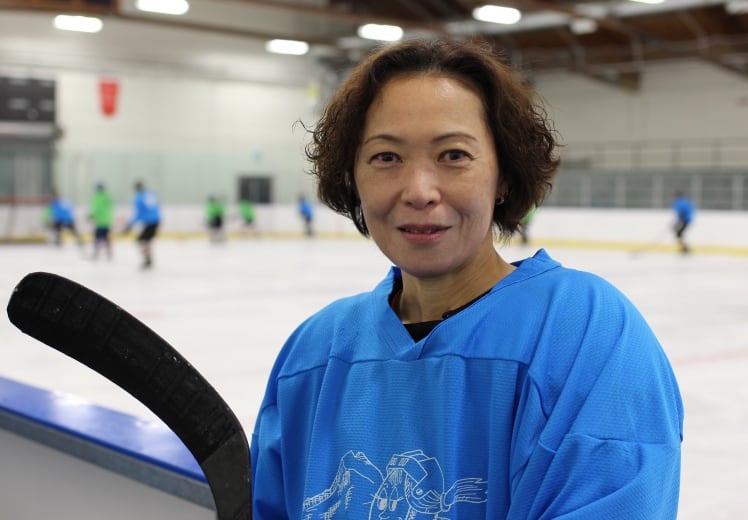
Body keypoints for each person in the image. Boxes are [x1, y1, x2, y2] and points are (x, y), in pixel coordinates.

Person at [251, 38, 683, 519]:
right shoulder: (314, 352)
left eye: (454, 155)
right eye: (385, 157)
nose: (419, 191)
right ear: (352, 176)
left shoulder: (584, 331)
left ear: (502, 176)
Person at [123, 181, 161, 269]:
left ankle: (148, 260)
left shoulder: (139, 198)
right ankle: (149, 259)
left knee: (142, 240)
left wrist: (130, 225)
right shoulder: (150, 194)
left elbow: (139, 214)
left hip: (150, 222)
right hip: (156, 220)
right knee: (146, 240)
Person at [89, 182, 114, 259]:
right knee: (106, 238)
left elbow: (97, 209)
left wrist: (91, 215)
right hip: (107, 221)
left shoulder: (97, 197)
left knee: (97, 238)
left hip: (100, 221)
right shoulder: (108, 197)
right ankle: (109, 253)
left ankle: (96, 253)